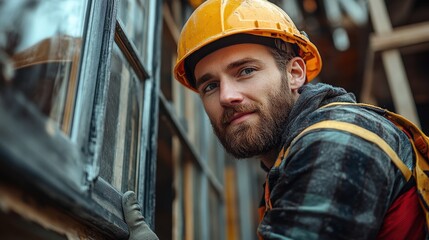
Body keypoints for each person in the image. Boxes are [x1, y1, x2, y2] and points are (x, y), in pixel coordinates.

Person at [122, 0, 427, 239]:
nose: (227, 96)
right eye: (210, 86)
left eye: (246, 71)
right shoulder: (289, 159)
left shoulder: (334, 139)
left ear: (295, 74)